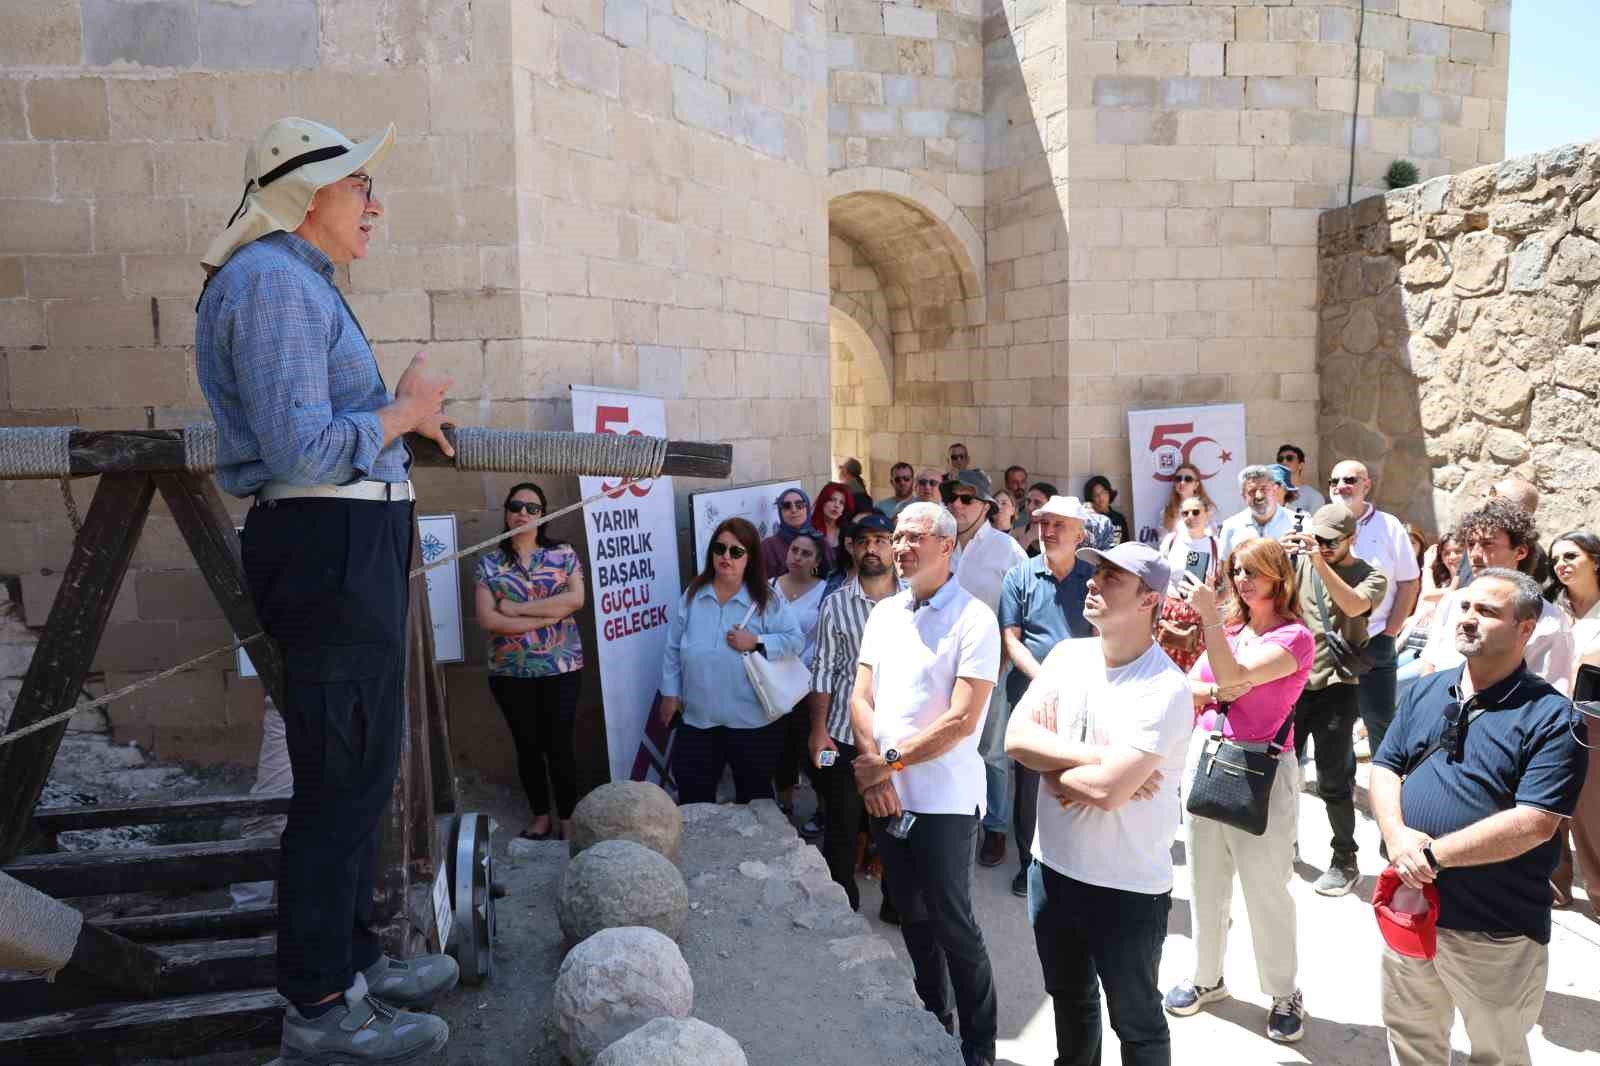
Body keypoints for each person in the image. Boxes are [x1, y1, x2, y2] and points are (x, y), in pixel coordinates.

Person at [195, 117, 457, 1062]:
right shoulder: (271, 286)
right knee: (340, 784)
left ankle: (351, 965)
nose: (373, 205)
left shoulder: (297, 284)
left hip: (347, 540)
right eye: (359, 189)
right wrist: (404, 410)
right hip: (326, 547)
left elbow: (320, 431)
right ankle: (318, 1002)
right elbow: (302, 449)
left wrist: (400, 425)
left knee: (361, 770)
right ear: (308, 199)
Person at [1371, 568, 1588, 1066]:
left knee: (1497, 1053)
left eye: (1488, 612)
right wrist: (1398, 838)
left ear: (1525, 629)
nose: (1469, 619)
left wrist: (1429, 855)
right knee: (1412, 1039)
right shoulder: (1429, 690)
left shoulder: (1553, 717)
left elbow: (1535, 821)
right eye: (1466, 607)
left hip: (1494, 929)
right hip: (1410, 906)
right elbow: (1385, 766)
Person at [1005, 541, 1193, 1066]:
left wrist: (1054, 772)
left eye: (1111, 577)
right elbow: (1016, 741)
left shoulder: (1164, 688)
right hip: (1053, 868)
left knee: (1135, 1021)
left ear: (1148, 600)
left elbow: (1110, 793)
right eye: (1096, 572)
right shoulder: (1067, 657)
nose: (1092, 582)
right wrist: (1100, 762)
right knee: (1070, 1000)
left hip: (1127, 887)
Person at [850, 502, 1001, 1066]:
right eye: (897, 536)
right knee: (910, 914)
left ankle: (979, 1046)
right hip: (888, 797)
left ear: (947, 546)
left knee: (953, 924)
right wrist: (874, 773)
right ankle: (934, 1020)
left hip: (944, 802)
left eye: (915, 537)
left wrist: (886, 765)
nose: (902, 546)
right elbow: (860, 698)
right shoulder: (885, 612)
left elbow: (962, 720)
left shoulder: (974, 619)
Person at [1164, 537, 1313, 1044]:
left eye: (1254, 571)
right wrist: (1215, 687)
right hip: (1207, 756)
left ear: (1279, 576)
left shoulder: (1294, 637)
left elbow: (1231, 674)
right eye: (1237, 570)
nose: (1243, 580)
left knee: (1265, 886)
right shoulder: (1231, 627)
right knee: (1205, 879)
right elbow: (1193, 683)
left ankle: (1283, 991)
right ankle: (1207, 977)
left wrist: (1211, 636)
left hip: (1261, 768)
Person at [1280, 503, 1387, 896]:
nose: (1322, 548)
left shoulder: (1371, 575)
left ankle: (1345, 858)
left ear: (1351, 538)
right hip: (1293, 684)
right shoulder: (1301, 561)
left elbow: (1355, 605)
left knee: (1333, 780)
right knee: (1282, 770)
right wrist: (1278, 556)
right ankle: (1282, 844)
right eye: (1317, 539)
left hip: (1338, 687)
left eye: (1330, 542)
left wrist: (1318, 562)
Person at [659, 517, 803, 804]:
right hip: (698, 718)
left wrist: (757, 641)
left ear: (749, 558)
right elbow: (673, 647)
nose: (726, 557)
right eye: (719, 549)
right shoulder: (693, 594)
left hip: (750, 722)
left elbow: (795, 640)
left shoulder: (767, 599)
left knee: (754, 799)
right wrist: (670, 694)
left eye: (735, 551)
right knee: (693, 798)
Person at [473, 483, 587, 842]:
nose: (523, 512)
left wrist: (518, 609)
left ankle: (568, 817)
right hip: (510, 672)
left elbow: (576, 599)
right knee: (527, 745)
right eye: (516, 506)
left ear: (544, 515)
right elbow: (489, 620)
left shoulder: (563, 554)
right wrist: (545, 618)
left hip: (561, 668)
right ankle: (541, 817)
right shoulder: (489, 562)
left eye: (532, 508)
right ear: (507, 512)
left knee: (560, 744)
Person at [997, 496, 1095, 897]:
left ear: (1079, 535)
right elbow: (1011, 640)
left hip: (1086, 693)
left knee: (1078, 774)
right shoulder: (1019, 576)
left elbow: (1101, 634)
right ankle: (1028, 863)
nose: (1048, 531)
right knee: (1030, 780)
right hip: (1032, 693)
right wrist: (1046, 680)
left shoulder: (1094, 577)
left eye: (1058, 524)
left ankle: (1075, 861)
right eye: (1044, 523)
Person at [808, 513, 902, 912]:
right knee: (842, 822)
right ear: (851, 547)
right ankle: (841, 900)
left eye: (881, 540)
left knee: (896, 823)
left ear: (894, 547)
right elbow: (824, 670)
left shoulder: (918, 599)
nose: (872, 548)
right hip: (842, 738)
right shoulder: (835, 605)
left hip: (899, 740)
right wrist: (818, 731)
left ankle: (897, 903)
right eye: (864, 540)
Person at [947, 473, 1029, 867]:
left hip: (990, 668)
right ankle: (958, 819)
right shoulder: (940, 543)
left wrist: (1003, 661)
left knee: (992, 752)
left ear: (985, 506)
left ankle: (995, 828)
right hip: (942, 666)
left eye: (967, 498)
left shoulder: (1006, 549)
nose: (958, 505)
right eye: (953, 497)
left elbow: (1020, 607)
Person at [1417, 500, 1574, 694]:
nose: (1474, 554)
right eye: (1470, 544)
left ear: (1520, 551)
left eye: (1487, 544)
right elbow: (1431, 664)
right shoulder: (1452, 602)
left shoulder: (1548, 622)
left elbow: (1549, 694)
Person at [1327, 459, 1421, 757]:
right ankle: (1338, 793)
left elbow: (1409, 582)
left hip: (1376, 639)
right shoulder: (1319, 526)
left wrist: (1390, 632)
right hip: (1331, 643)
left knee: (1380, 723)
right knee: (1333, 725)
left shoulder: (1388, 525)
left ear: (1366, 485)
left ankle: (1386, 789)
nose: (1341, 486)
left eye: (1350, 479)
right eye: (1334, 481)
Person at [1545, 530, 1600, 912]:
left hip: (1594, 721)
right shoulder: (1549, 607)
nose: (1561, 565)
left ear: (1595, 560)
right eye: (1556, 559)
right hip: (1548, 713)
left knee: (1592, 811)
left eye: (1570, 556)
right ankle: (1553, 887)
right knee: (1548, 807)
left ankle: (1598, 893)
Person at [771, 532, 830, 817]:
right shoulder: (770, 587)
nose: (797, 556)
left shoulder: (827, 591)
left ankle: (824, 806)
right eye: (794, 550)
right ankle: (784, 803)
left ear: (817, 561)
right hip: (775, 683)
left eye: (806, 553)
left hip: (812, 685)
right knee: (781, 748)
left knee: (817, 749)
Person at [1155, 496, 1222, 674]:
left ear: (1206, 515)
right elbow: (1158, 575)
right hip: (1171, 615)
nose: (1190, 516)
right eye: (1185, 513)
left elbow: (1227, 586)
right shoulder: (1171, 541)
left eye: (1195, 512)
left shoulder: (1215, 545)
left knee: (1196, 673)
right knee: (1166, 670)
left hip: (1200, 616)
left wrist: (1212, 602)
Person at [1216, 464, 1296, 561]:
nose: (1259, 496)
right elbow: (1225, 568)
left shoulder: (1297, 523)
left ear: (1274, 489)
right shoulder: (1231, 526)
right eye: (1252, 491)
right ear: (1243, 496)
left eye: (1263, 489)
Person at [761, 486, 816, 579]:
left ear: (807, 508)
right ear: (780, 512)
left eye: (799, 505)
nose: (794, 510)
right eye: (787, 506)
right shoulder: (767, 547)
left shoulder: (819, 540)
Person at [1158, 462, 1219, 536]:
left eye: (1188, 479)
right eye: (1178, 479)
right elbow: (1163, 542)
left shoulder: (1208, 509)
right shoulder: (1167, 512)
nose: (1182, 482)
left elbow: (1213, 536)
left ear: (1196, 485)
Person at [811, 481, 858, 570]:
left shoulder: (848, 530)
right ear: (823, 501)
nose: (836, 505)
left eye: (841, 503)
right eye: (832, 500)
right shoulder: (810, 529)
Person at [1275, 444, 1325, 512]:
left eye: (1289, 458)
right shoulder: (1270, 492)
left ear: (1301, 465)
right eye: (1280, 459)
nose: (1284, 462)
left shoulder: (1314, 496)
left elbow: (1315, 522)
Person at [1083, 475, 1131, 546]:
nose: (1101, 498)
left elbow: (1126, 544)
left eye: (1103, 492)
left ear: (1109, 493)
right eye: (1096, 495)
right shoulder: (1089, 520)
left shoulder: (1119, 518)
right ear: (1091, 498)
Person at [1004, 465, 1030, 535]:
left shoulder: (1032, 508)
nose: (1020, 486)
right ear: (1007, 485)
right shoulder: (1000, 508)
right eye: (1015, 482)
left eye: (1023, 482)